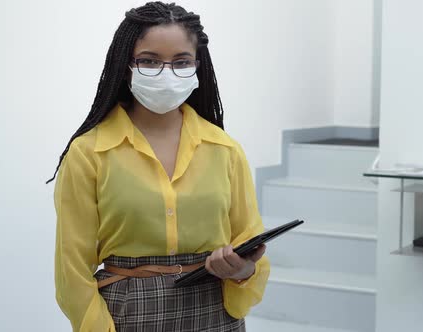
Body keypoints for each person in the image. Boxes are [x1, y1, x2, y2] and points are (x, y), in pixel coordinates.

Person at [47, 2, 270, 331]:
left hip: (213, 310)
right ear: (126, 66)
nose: (166, 74)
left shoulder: (226, 150)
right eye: (150, 61)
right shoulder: (88, 153)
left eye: (181, 62)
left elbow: (252, 252)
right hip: (126, 314)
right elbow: (72, 271)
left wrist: (241, 270)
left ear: (196, 68)